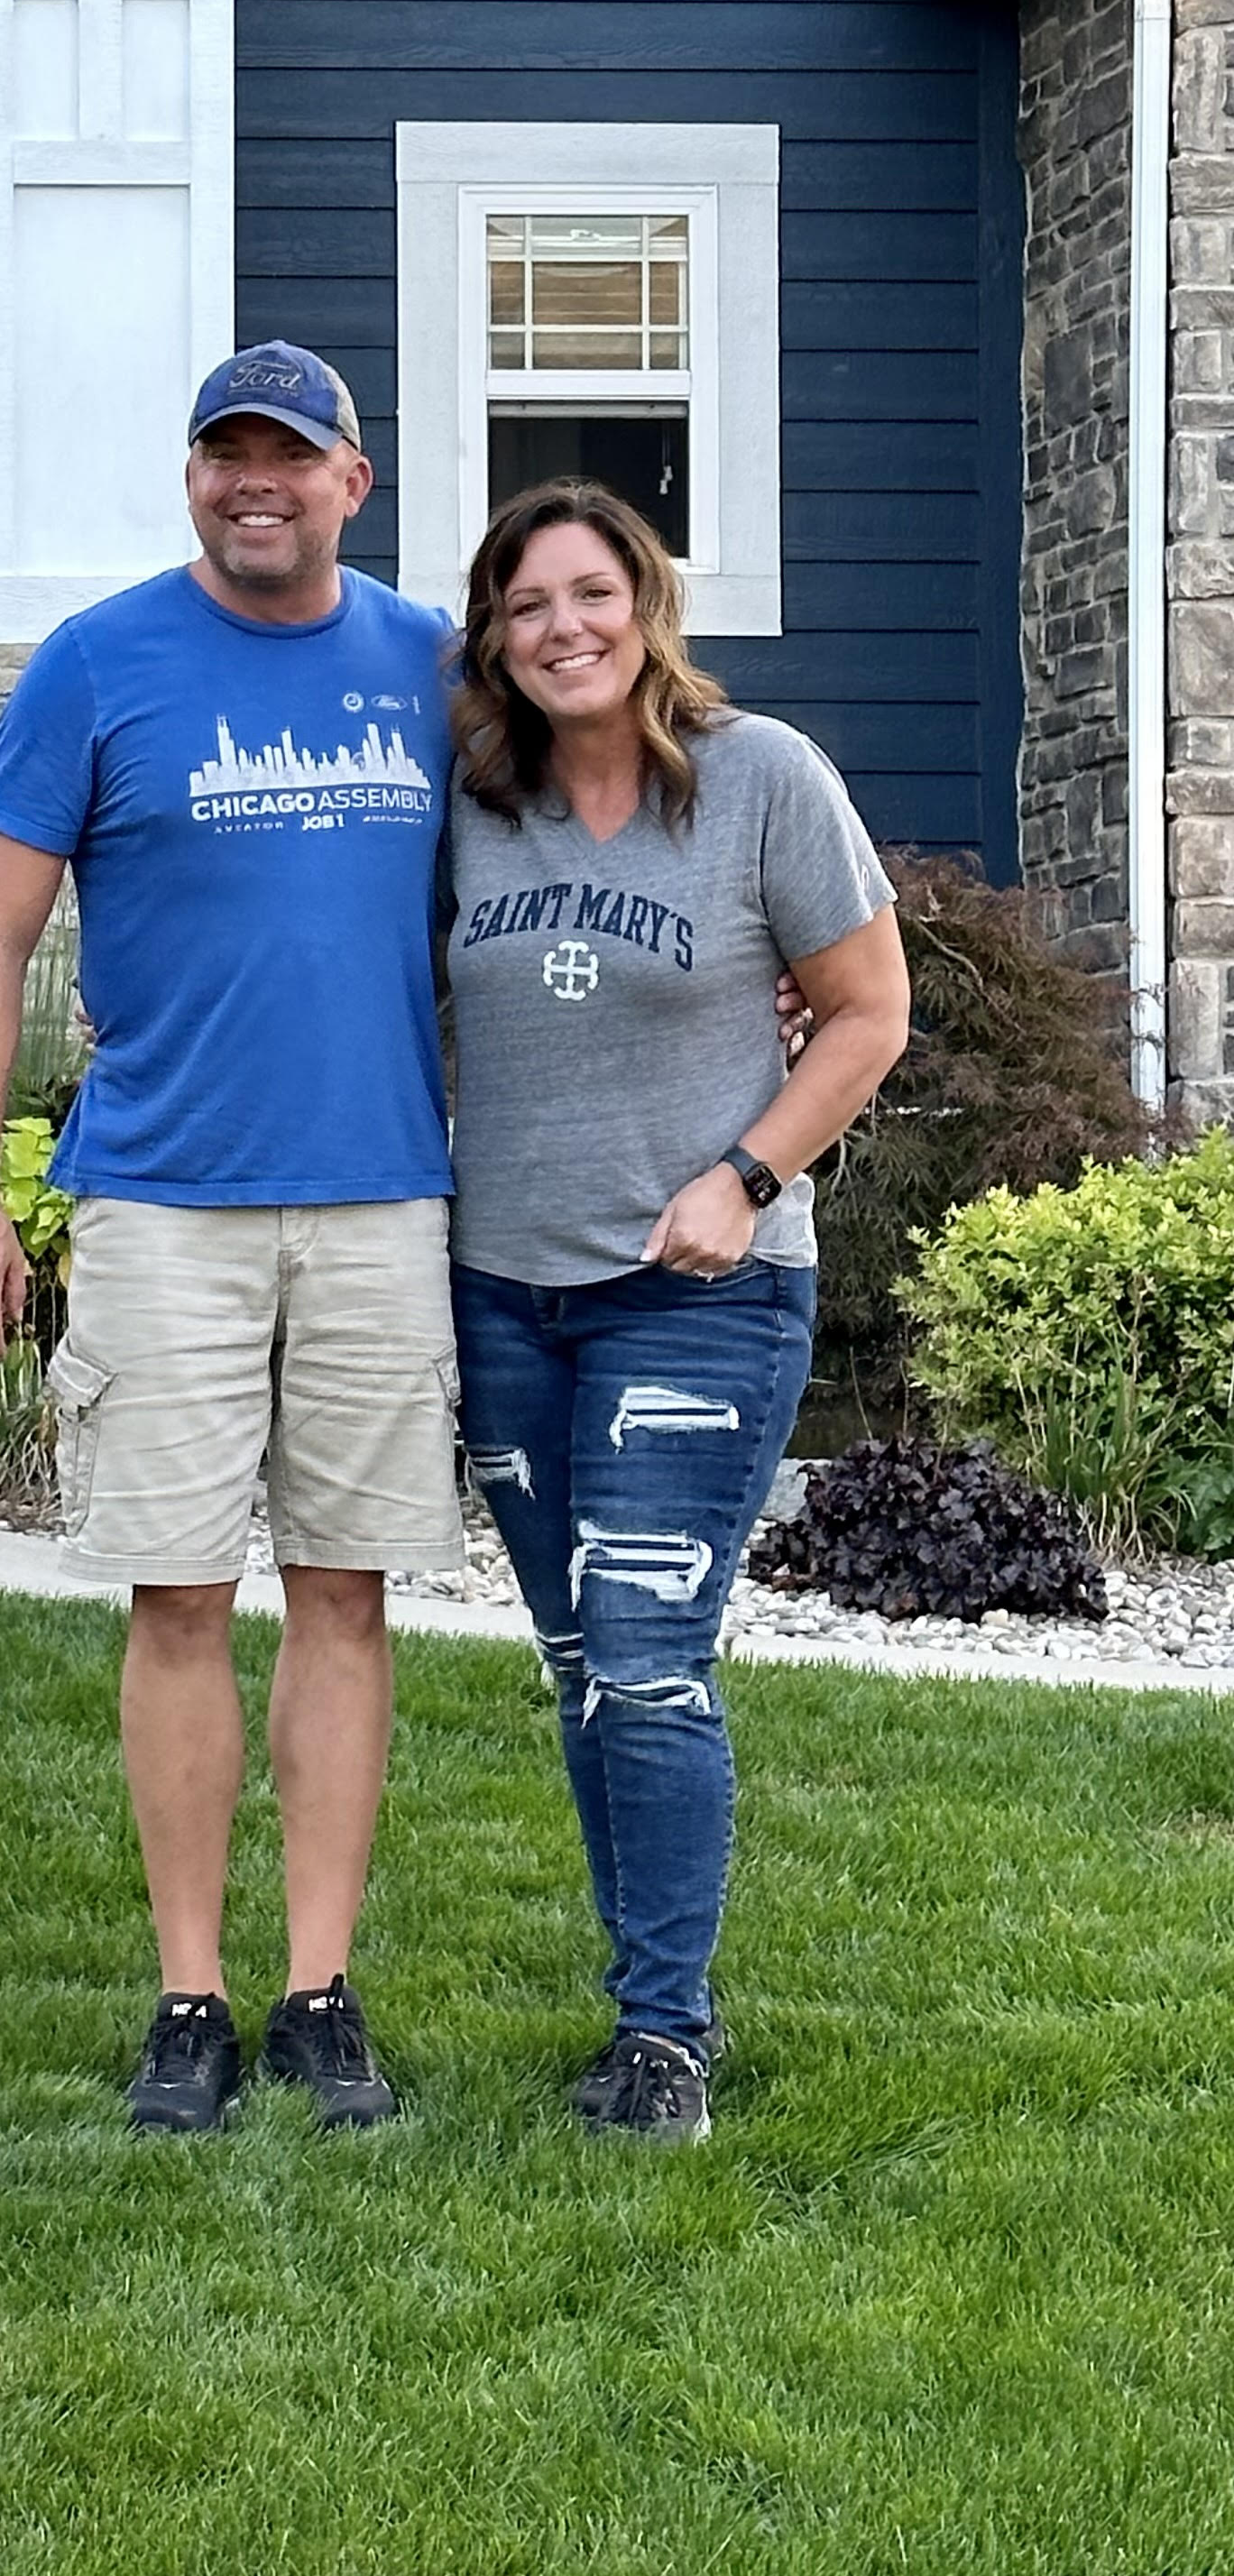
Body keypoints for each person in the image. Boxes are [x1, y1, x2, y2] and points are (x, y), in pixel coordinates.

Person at [0, 342, 462, 2137]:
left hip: (383, 1194)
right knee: (174, 1593)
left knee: (343, 1590)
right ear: (190, 481)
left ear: (350, 483)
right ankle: (190, 1999)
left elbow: (574, 857)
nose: (261, 484)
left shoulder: (429, 669)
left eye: (292, 458)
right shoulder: (98, 666)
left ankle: (317, 1992)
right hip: (163, 1200)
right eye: (229, 456)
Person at [445, 481, 910, 2146]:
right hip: (506, 1297)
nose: (564, 628)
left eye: (592, 592)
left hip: (697, 1299)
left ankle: (665, 2035)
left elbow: (868, 1014)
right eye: (526, 605)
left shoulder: (765, 780)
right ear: (493, 638)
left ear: (646, 604)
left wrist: (750, 1176)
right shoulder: (469, 804)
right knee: (580, 1660)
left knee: (648, 1657)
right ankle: (643, 1993)